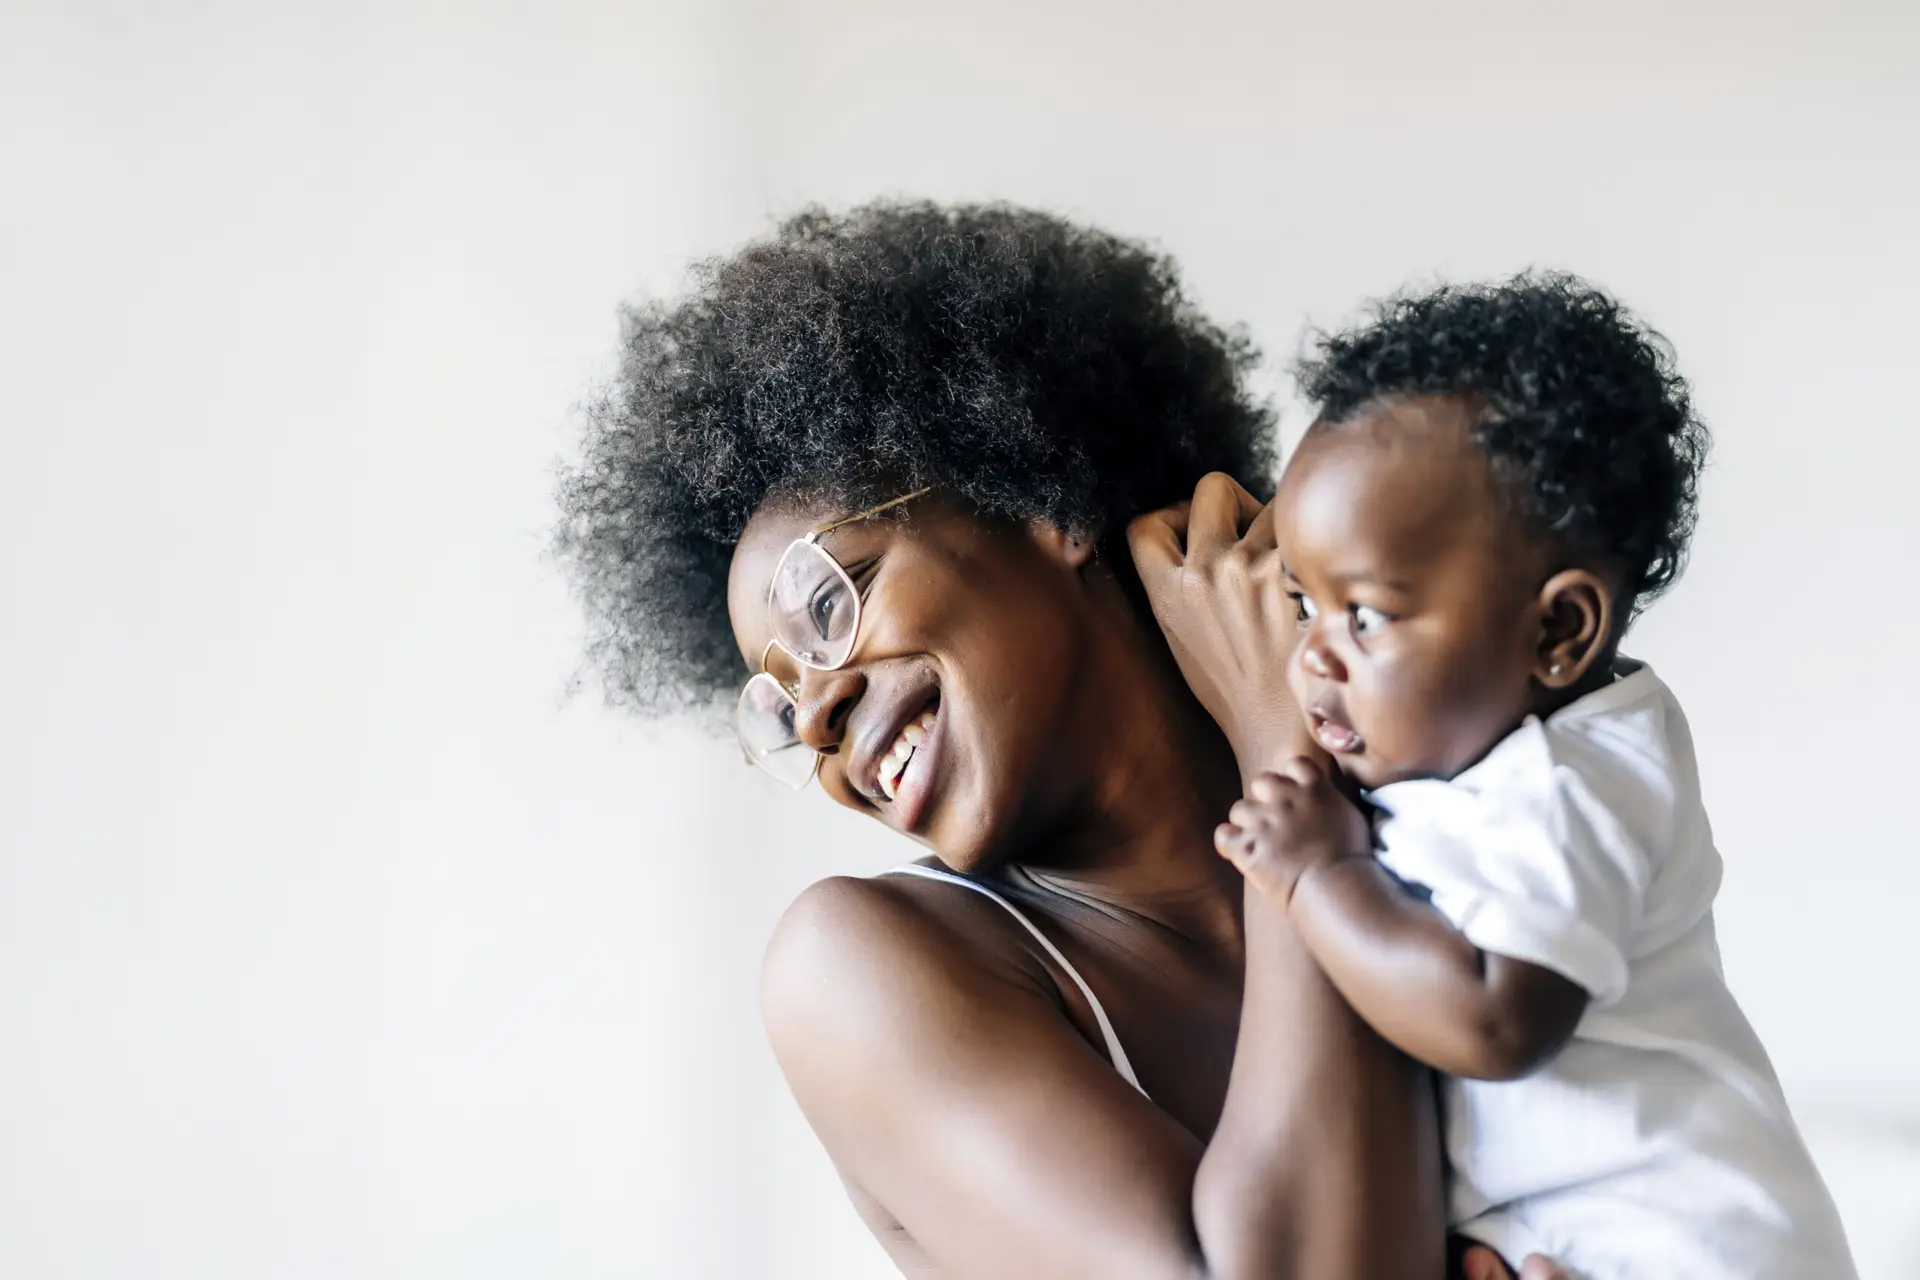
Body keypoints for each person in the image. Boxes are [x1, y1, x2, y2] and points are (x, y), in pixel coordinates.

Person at [556, 200, 1565, 1277]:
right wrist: (1280, 739)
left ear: (1041, 496)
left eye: (830, 601)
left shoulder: (1448, 795)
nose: (815, 715)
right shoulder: (858, 970)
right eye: (777, 707)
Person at [1171, 276, 1855, 1277]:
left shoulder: (1571, 781)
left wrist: (1319, 876)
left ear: (1556, 631)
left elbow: (1493, 1018)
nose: (1311, 654)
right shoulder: (1485, 745)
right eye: (1299, 599)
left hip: (1692, 1245)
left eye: (1365, 613)